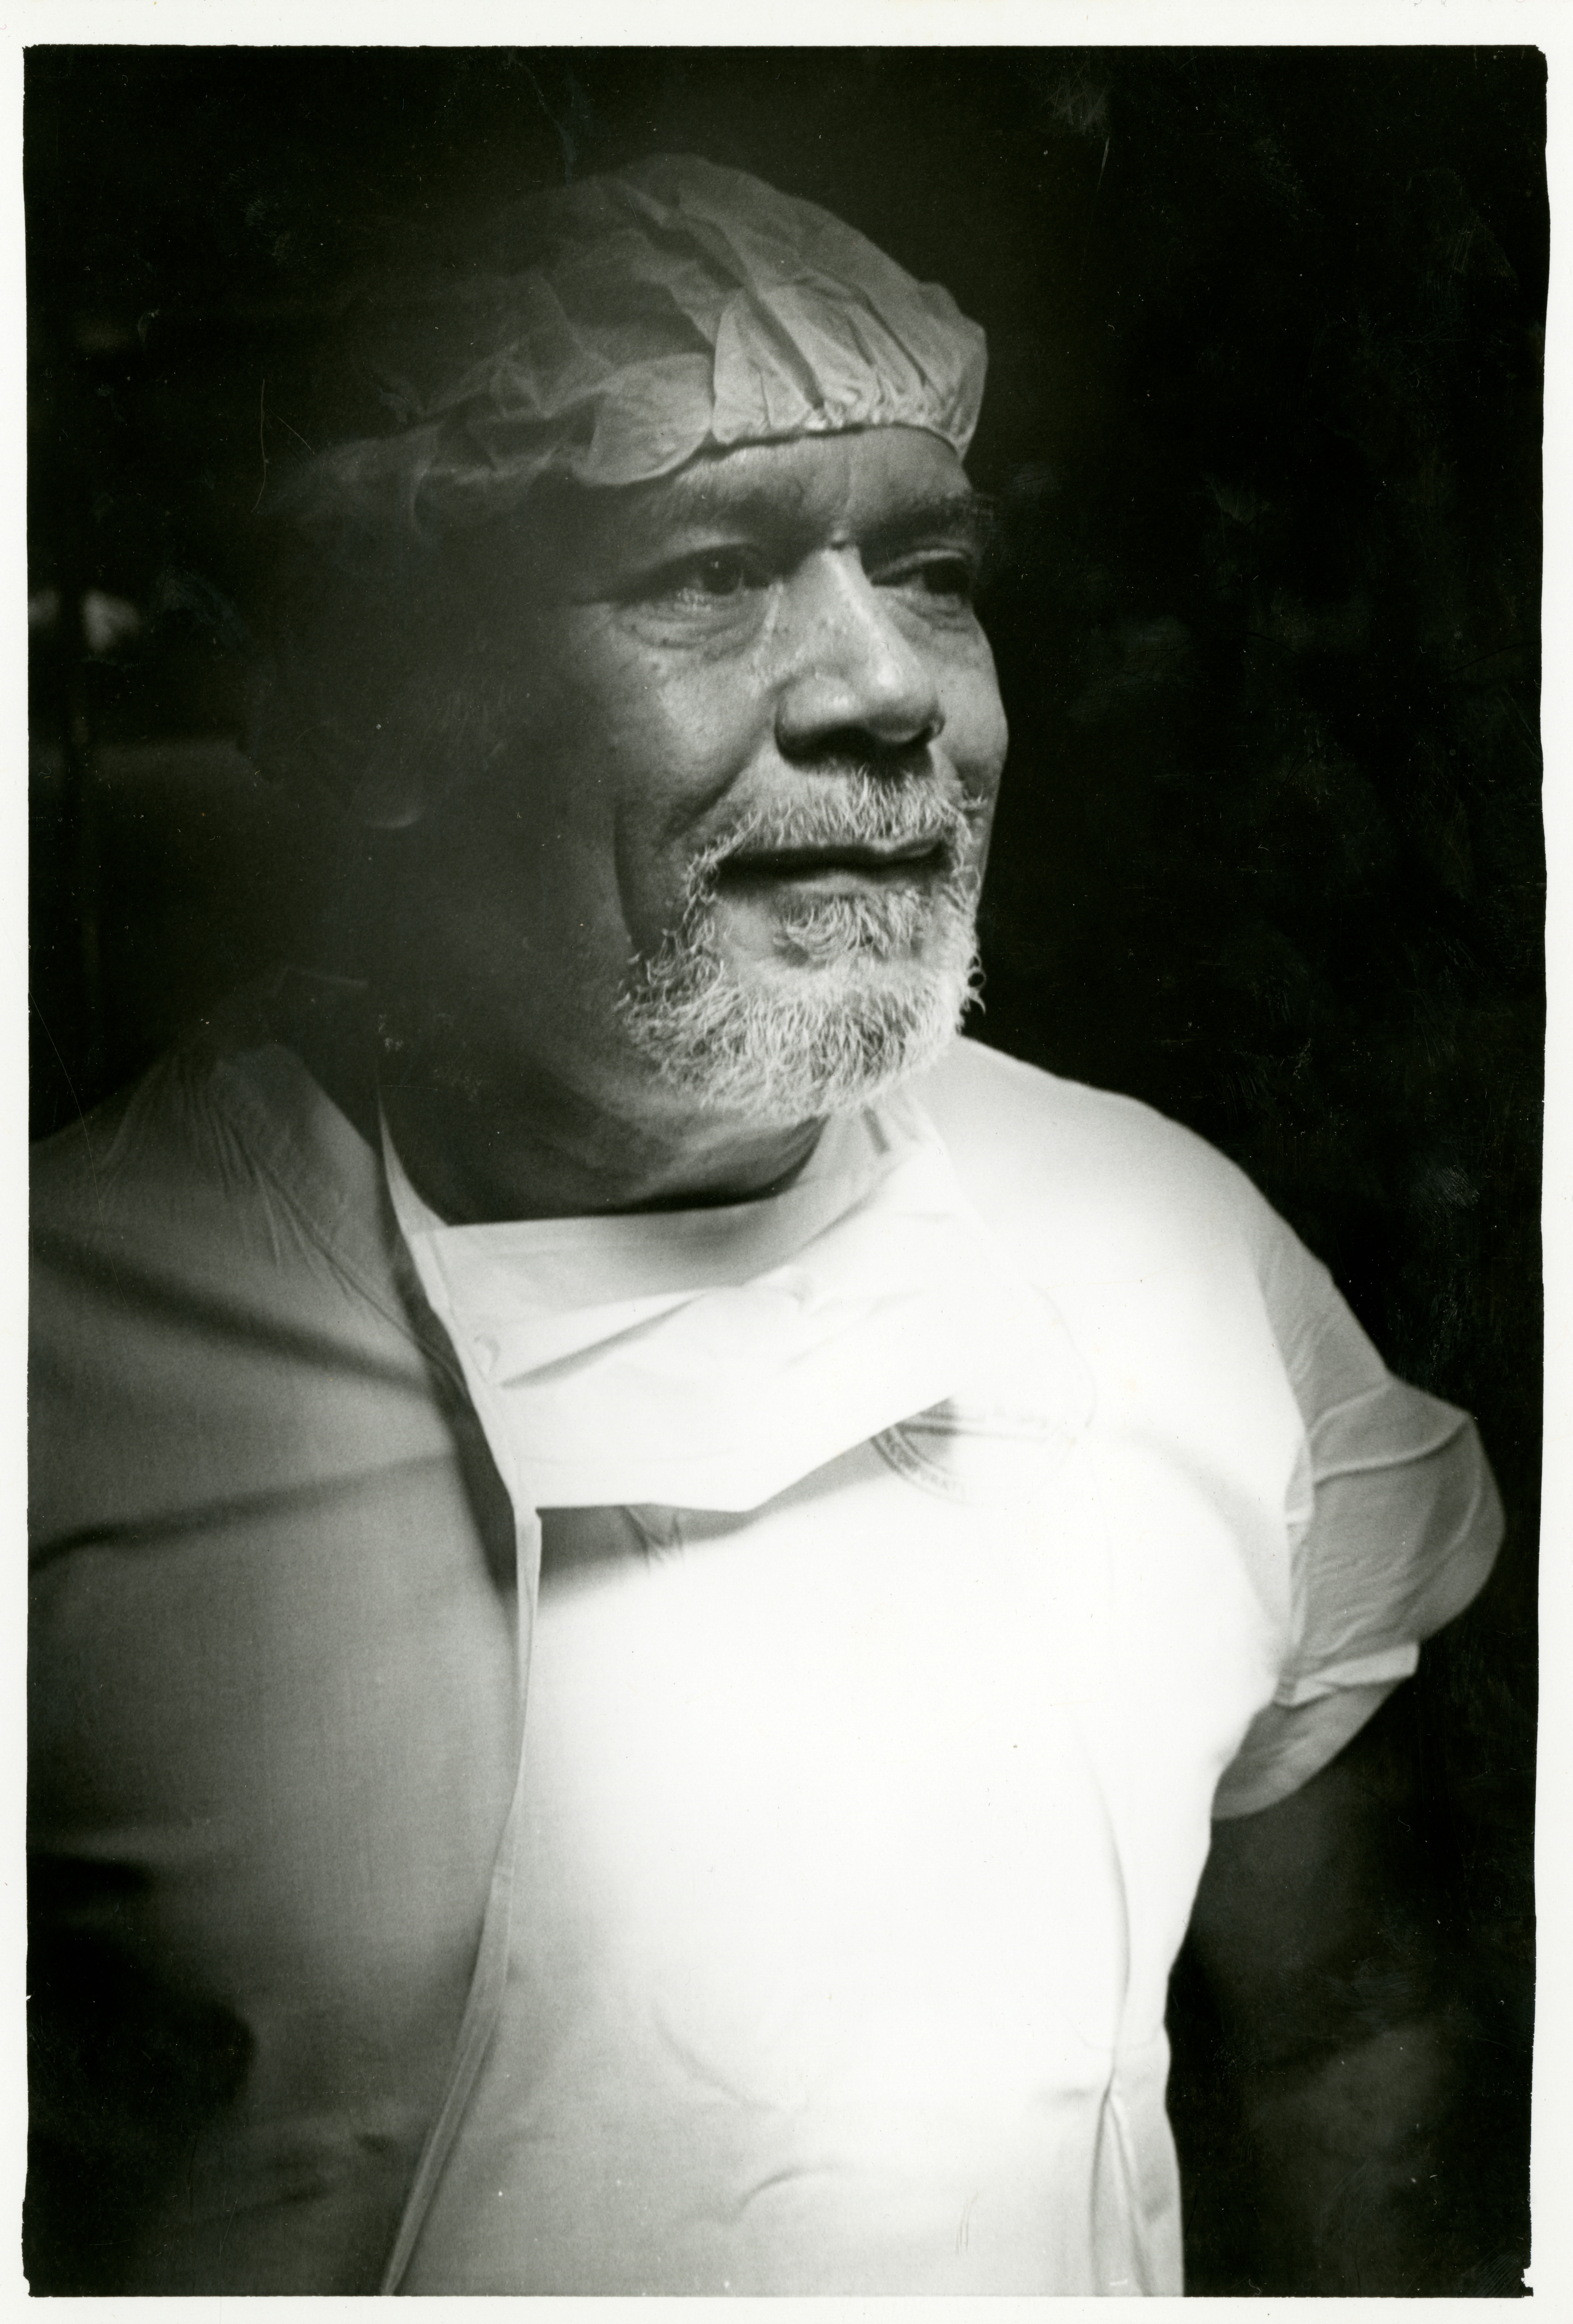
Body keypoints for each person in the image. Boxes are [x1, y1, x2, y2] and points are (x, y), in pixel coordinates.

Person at [28, 153, 1504, 2297]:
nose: (885, 688)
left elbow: (1353, 2027)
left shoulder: (1178, 1260)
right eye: (707, 574)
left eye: (931, 570)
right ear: (399, 714)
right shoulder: (69, 1359)